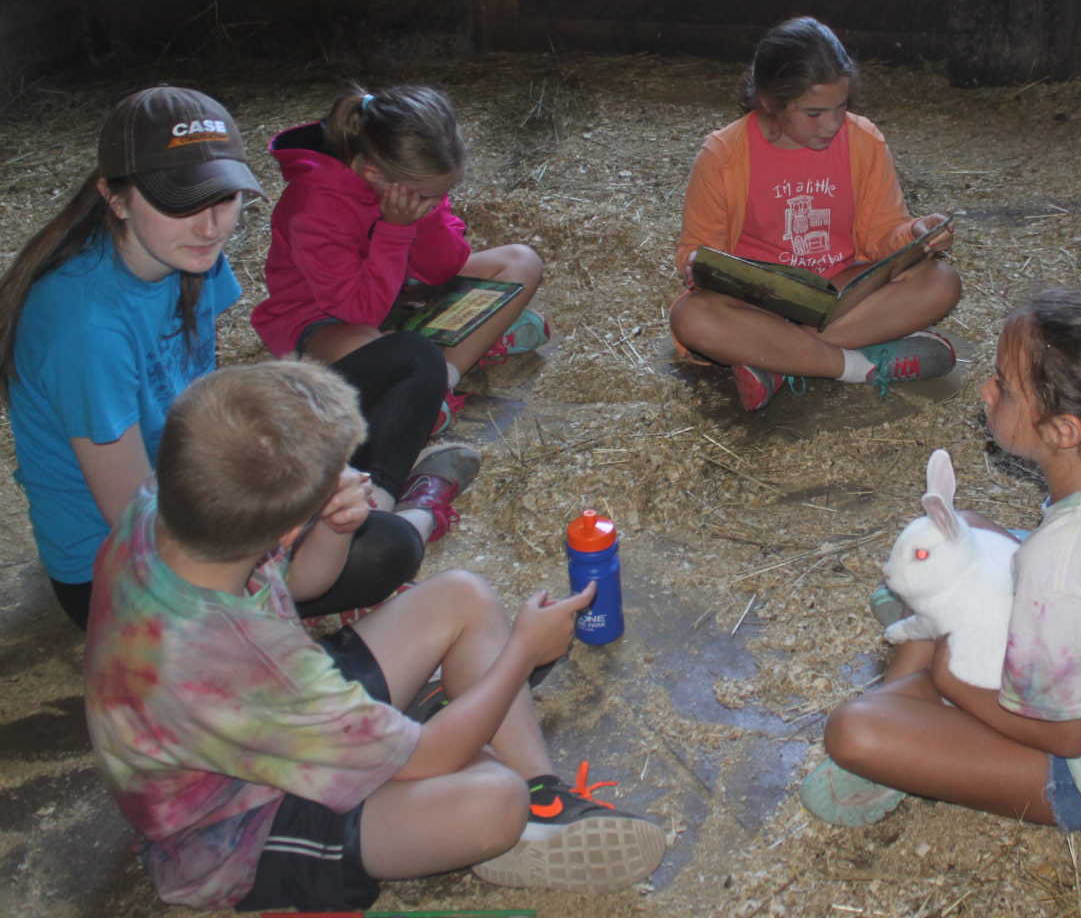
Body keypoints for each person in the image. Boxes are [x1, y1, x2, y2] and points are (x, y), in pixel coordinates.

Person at [83, 360, 667, 910]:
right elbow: (428, 756)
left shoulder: (167, 502)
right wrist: (521, 652)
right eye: (333, 474)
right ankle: (511, 800)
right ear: (286, 528)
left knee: (462, 593)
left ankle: (544, 794)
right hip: (234, 826)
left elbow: (305, 582)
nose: (350, 476)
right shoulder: (250, 660)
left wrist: (336, 527)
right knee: (493, 801)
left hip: (264, 722)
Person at [801, 287, 1081, 835]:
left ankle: (912, 712)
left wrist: (953, 679)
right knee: (967, 533)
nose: (986, 392)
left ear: (1064, 430)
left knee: (855, 732)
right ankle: (914, 698)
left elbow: (1066, 736)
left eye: (1004, 388)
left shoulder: (1060, 562)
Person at [0, 86, 434, 630]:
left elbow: (194, 410)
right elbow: (134, 519)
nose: (210, 226)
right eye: (179, 202)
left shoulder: (186, 257)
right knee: (383, 550)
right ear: (115, 197)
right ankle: (410, 513)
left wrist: (286, 470)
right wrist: (276, 512)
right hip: (121, 571)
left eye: (223, 199)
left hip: (192, 489)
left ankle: (375, 503)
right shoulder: (85, 328)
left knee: (413, 360)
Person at [670, 17, 962, 411]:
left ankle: (777, 361)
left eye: (840, 107)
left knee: (941, 281)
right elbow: (697, 249)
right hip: (759, 305)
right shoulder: (723, 155)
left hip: (842, 295)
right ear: (770, 102)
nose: (832, 124)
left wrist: (915, 234)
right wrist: (696, 265)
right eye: (813, 113)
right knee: (692, 318)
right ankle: (856, 365)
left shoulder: (864, 142)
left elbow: (882, 234)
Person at [250, 83, 548, 443]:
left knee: (520, 260)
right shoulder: (313, 207)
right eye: (427, 196)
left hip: (402, 294)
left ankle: (441, 380)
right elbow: (361, 313)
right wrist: (394, 232)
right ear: (375, 173)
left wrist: (425, 216)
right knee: (367, 345)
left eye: (441, 195)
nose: (434, 202)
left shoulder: (411, 185)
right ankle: (458, 345)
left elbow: (445, 268)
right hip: (326, 319)